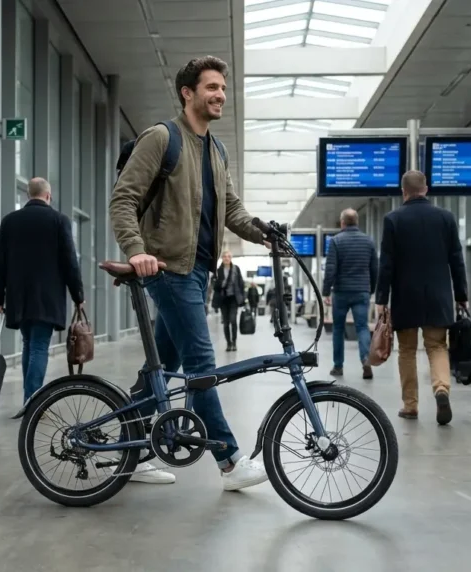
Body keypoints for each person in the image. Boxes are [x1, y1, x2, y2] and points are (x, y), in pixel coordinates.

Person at [110, 55, 269, 491]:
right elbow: (123, 199)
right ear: (188, 93)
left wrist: (264, 234)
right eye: (211, 87)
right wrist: (137, 251)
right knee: (201, 365)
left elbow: (231, 207)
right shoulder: (163, 138)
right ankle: (230, 462)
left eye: (222, 88)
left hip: (199, 271)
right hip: (166, 268)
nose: (219, 95)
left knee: (163, 365)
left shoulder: (215, 149)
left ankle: (134, 448)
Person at [376, 170, 468, 425]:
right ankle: (441, 389)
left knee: (406, 350)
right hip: (439, 296)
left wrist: (381, 299)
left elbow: (387, 264)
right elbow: (456, 261)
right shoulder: (445, 218)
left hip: (406, 296)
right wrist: (461, 295)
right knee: (437, 346)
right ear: (426, 189)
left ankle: (410, 405)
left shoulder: (393, 219)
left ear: (403, 191)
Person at [0, 178, 83, 407]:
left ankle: (29, 399)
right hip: (47, 296)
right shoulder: (59, 220)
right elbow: (70, 261)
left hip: (18, 296)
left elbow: (0, 261)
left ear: (28, 195)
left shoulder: (9, 221)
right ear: (48, 196)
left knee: (29, 344)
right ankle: (33, 402)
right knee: (39, 346)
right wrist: (78, 295)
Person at [323, 208, 378, 380]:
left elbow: (331, 269)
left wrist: (326, 291)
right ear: (357, 222)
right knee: (362, 327)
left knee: (338, 329)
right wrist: (372, 289)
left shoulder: (336, 241)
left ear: (342, 223)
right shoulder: (368, 241)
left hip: (341, 292)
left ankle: (338, 366)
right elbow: (374, 268)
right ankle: (365, 360)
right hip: (361, 291)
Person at [212, 250, 245, 351]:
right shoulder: (218, 271)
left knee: (233, 320)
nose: (226, 258)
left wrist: (243, 298)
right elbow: (214, 285)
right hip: (223, 299)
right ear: (222, 258)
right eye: (225, 256)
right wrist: (220, 283)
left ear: (231, 258)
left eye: (228, 256)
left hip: (233, 298)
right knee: (226, 323)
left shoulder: (236, 269)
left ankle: (234, 342)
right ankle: (228, 343)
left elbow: (241, 283)